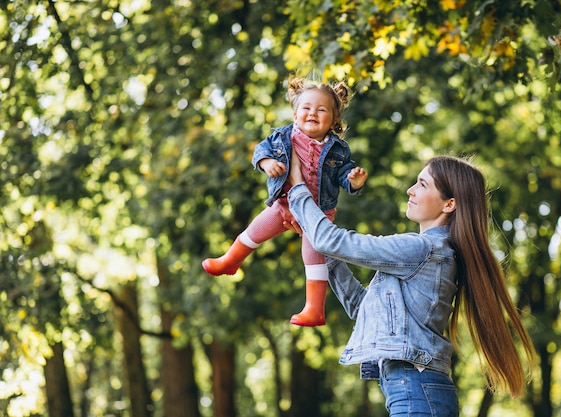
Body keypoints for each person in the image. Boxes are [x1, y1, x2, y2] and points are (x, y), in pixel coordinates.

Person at [285, 152, 535, 416]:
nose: (410, 190)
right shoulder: (430, 253)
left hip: (418, 393)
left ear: (449, 204)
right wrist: (321, 248)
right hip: (416, 391)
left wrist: (299, 188)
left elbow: (332, 240)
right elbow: (363, 309)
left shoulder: (422, 249)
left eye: (422, 184)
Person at [202, 75, 368, 327]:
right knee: (254, 231)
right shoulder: (284, 137)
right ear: (294, 115)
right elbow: (261, 151)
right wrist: (267, 163)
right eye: (306, 108)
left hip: (318, 214)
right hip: (284, 205)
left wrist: (353, 181)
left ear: (334, 121)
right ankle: (230, 261)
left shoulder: (338, 149)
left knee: (313, 257)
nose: (313, 113)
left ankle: (314, 309)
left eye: (321, 110)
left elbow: (344, 174)